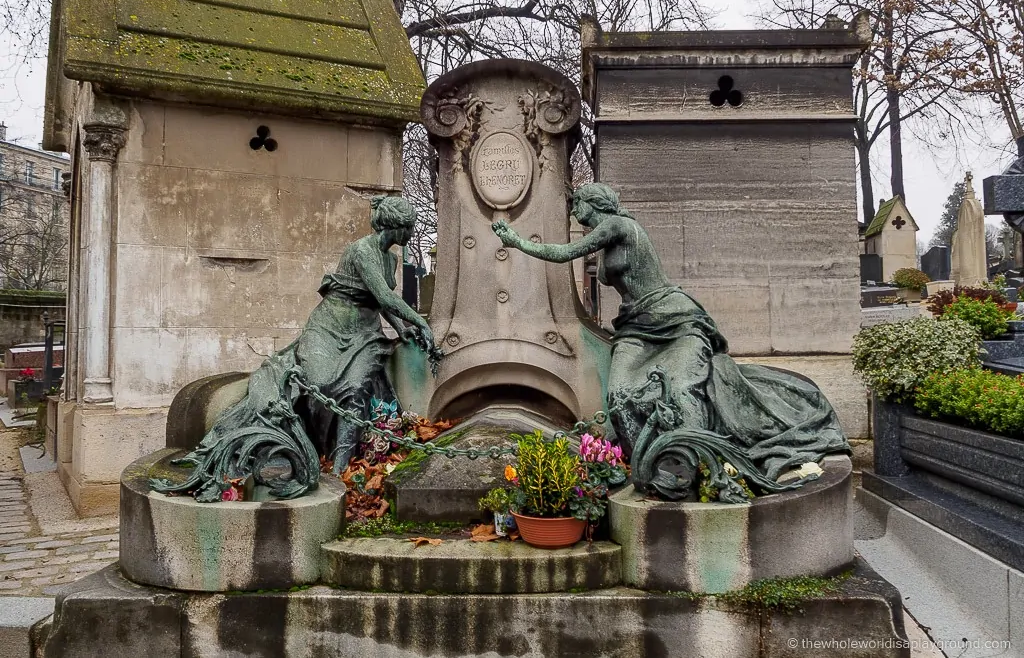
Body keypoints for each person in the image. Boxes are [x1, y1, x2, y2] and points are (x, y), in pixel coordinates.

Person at [493, 183, 848, 499]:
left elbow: (564, 254)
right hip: (635, 328)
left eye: (577, 204)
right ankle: (646, 471)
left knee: (680, 388)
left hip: (675, 320)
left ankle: (693, 469)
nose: (574, 211)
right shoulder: (606, 240)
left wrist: (517, 242)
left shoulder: (617, 225)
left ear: (593, 203)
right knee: (619, 396)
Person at [156, 195, 439, 501]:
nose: (411, 234)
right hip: (328, 328)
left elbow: (380, 303)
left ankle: (339, 471)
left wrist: (402, 330)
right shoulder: (361, 250)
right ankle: (304, 448)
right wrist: (420, 324)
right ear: (395, 227)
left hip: (365, 335)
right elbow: (385, 297)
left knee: (355, 389)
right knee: (317, 384)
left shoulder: (391, 259)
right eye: (409, 228)